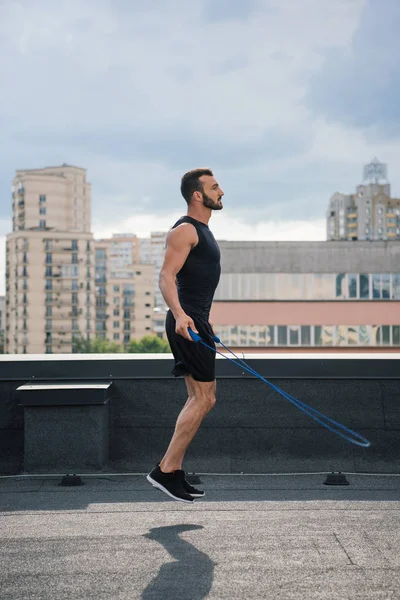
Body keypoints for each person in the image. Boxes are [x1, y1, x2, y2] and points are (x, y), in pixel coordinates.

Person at [146, 168, 224, 503]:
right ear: (197, 194)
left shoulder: (203, 231)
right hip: (186, 324)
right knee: (204, 399)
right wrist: (180, 315)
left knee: (201, 399)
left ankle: (172, 471)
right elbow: (165, 277)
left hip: (196, 323)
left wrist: (205, 323)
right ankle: (165, 470)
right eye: (215, 187)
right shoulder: (185, 230)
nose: (221, 192)